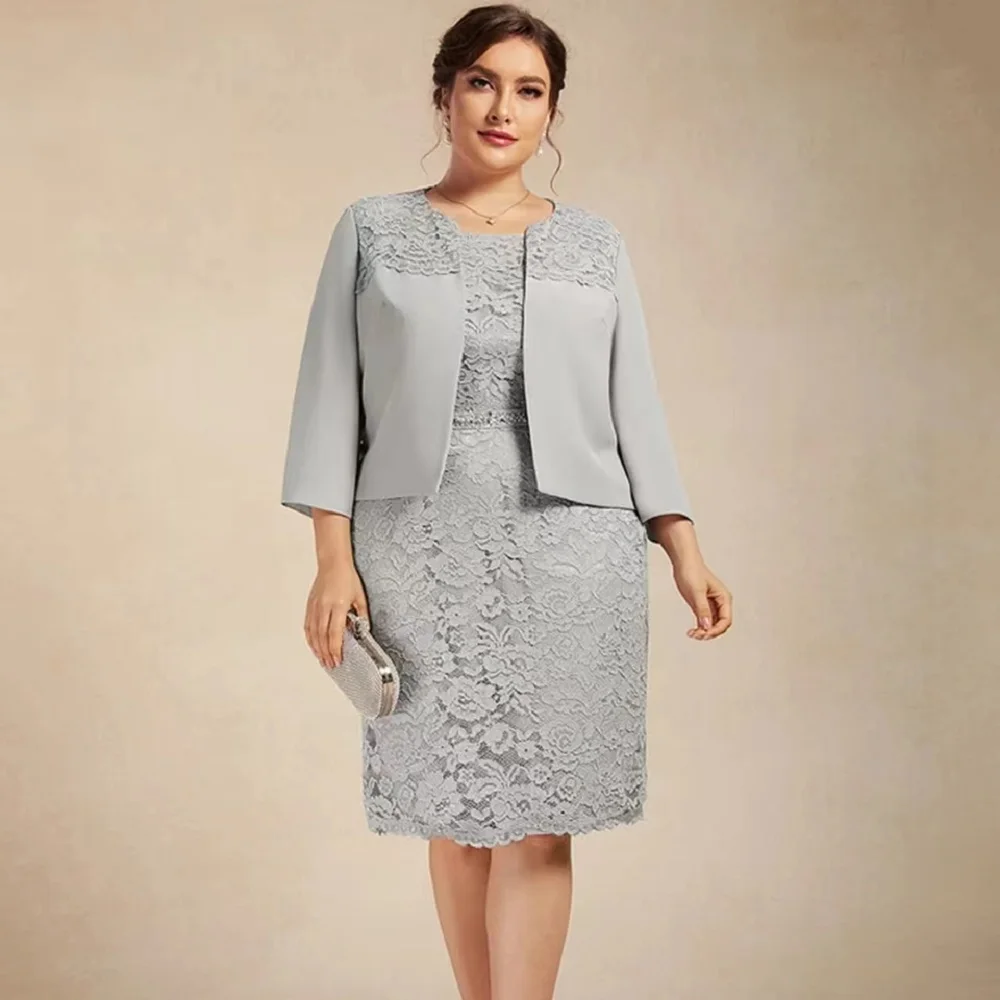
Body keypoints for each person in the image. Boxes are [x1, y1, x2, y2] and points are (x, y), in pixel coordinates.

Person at [280, 5, 733, 998]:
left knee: (540, 817)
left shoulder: (597, 245)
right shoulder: (373, 230)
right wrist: (331, 559)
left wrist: (683, 546)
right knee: (452, 809)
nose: (502, 108)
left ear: (551, 112)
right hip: (420, 552)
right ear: (444, 93)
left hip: (574, 554)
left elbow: (635, 406)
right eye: (482, 82)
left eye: (529, 90)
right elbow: (329, 397)